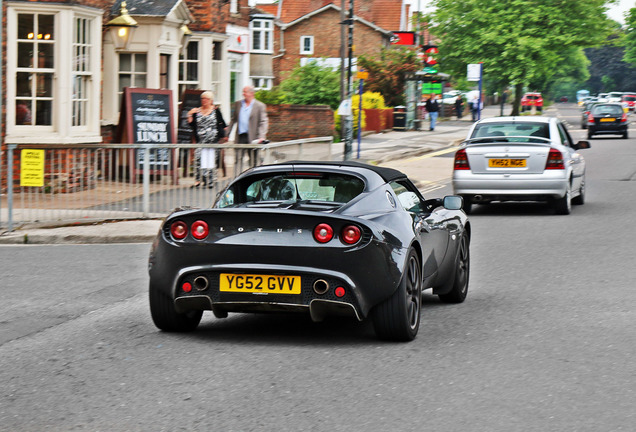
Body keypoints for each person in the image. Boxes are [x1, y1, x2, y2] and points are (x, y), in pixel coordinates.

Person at [188, 91, 227, 188]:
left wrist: (225, 136)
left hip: (213, 140)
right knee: (199, 159)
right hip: (200, 140)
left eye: (206, 99)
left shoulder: (216, 110)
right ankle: (198, 180)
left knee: (210, 160)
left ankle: (210, 181)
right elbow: (191, 124)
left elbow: (223, 124)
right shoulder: (197, 111)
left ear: (211, 101)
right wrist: (189, 114)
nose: (204, 101)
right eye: (202, 99)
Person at [226, 85, 269, 171]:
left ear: (251, 93)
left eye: (245, 92)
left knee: (253, 160)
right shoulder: (238, 104)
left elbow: (263, 122)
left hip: (253, 137)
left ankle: (253, 179)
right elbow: (233, 120)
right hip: (240, 136)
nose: (243, 94)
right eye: (243, 92)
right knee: (238, 159)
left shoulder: (260, 106)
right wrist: (227, 133)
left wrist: (261, 136)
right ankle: (237, 178)